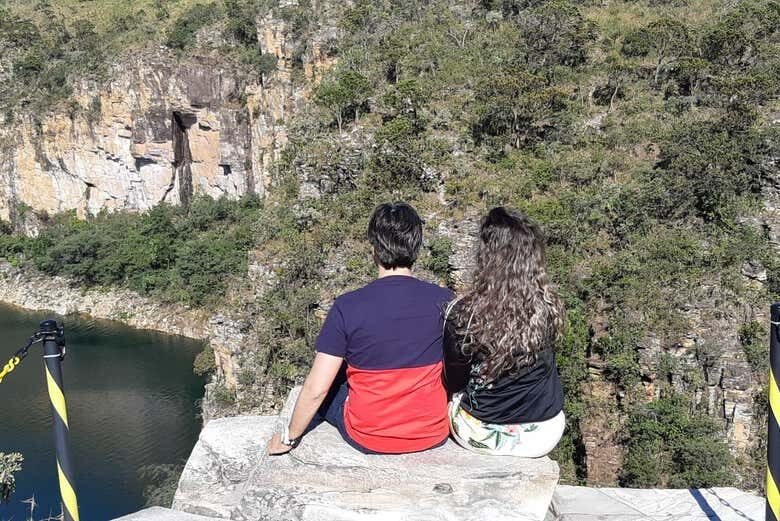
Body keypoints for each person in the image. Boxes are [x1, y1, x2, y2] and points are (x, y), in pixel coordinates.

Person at [267, 202, 453, 455]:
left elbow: (316, 389)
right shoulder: (445, 300)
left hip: (370, 436)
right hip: (431, 432)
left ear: (374, 250)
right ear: (416, 248)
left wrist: (288, 438)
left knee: (333, 379)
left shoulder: (348, 306)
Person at [443, 207, 565, 457]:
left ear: (486, 256)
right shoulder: (549, 306)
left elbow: (454, 381)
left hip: (479, 433)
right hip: (542, 433)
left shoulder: (463, 313)